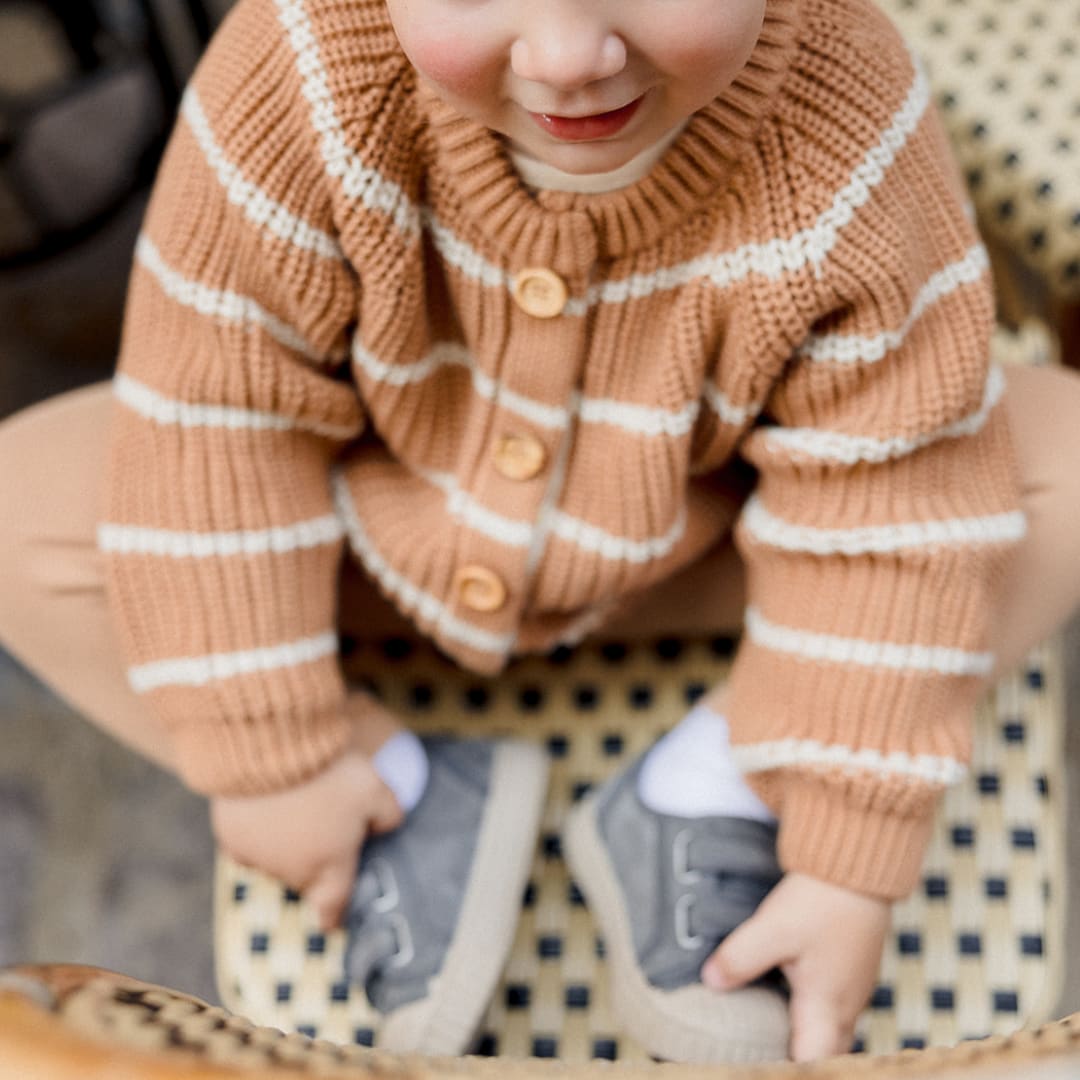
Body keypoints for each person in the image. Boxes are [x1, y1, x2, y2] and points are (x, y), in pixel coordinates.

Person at [2, 0, 1080, 1064]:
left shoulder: (844, 114)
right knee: (22, 510)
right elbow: (217, 415)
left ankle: (723, 779)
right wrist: (277, 757)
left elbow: (897, 477)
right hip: (368, 547)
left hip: (706, 549)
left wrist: (845, 843)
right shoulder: (299, 75)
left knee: (1056, 468)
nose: (569, 58)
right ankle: (399, 793)